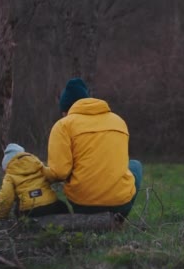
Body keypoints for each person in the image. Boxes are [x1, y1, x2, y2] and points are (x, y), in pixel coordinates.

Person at [45, 78, 142, 219]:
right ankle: (119, 220)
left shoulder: (63, 125)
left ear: (66, 110)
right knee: (135, 165)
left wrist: (38, 172)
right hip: (121, 204)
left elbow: (59, 173)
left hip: (83, 205)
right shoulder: (119, 121)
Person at [0, 143, 69, 219]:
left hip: (28, 210)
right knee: (63, 207)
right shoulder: (38, 165)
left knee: (17, 212)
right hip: (50, 205)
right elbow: (53, 176)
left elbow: (6, 197)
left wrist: (0, 216)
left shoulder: (9, 176)